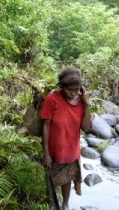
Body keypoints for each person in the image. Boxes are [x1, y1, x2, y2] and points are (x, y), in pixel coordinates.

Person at [40, 67, 92, 210]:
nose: (73, 93)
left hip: (71, 150)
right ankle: (51, 204)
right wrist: (46, 153)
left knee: (67, 180)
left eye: (77, 89)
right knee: (50, 179)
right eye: (70, 90)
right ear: (62, 87)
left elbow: (87, 128)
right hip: (54, 150)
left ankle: (65, 204)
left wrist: (87, 104)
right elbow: (46, 125)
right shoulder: (52, 99)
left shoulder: (82, 102)